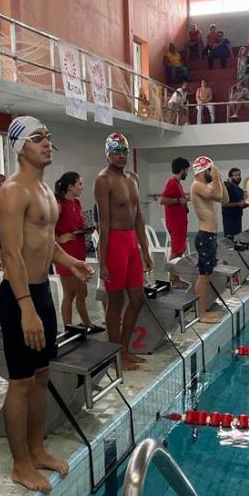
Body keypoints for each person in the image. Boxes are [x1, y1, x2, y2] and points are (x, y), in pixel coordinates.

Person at [0, 117, 94, 493]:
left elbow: (46, 243)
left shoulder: (44, 192)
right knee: (20, 383)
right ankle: (20, 465)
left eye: (48, 138)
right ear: (20, 146)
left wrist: (71, 263)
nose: (47, 143)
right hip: (19, 295)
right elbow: (11, 252)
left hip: (41, 292)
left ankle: (37, 450)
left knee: (41, 378)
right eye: (37, 139)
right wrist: (25, 307)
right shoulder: (13, 190)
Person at [95, 132, 152, 371]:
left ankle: (126, 349)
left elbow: (138, 217)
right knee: (115, 301)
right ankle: (115, 354)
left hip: (131, 242)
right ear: (107, 153)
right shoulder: (103, 179)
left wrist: (145, 250)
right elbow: (103, 223)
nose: (121, 156)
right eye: (116, 152)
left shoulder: (133, 178)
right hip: (114, 242)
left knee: (138, 298)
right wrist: (102, 262)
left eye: (124, 151)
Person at [54, 172, 102, 333]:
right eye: (79, 184)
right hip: (65, 255)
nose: (82, 187)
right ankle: (68, 329)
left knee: (83, 292)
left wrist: (86, 230)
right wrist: (59, 239)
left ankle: (87, 324)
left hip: (79, 252)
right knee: (70, 293)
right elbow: (46, 229)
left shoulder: (77, 203)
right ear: (70, 187)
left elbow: (76, 225)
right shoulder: (58, 204)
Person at [190, 156, 227, 324]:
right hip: (204, 235)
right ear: (203, 171)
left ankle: (200, 309)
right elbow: (216, 194)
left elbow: (224, 199)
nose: (212, 173)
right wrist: (217, 178)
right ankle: (201, 313)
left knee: (207, 276)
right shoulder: (197, 185)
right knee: (203, 276)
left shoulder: (205, 186)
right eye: (210, 170)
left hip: (210, 235)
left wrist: (219, 179)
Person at [160, 157, 190, 286]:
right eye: (187, 170)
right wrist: (178, 201)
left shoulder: (178, 184)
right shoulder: (172, 182)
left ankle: (176, 276)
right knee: (176, 251)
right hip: (175, 223)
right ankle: (173, 279)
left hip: (180, 222)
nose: (187, 173)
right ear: (182, 170)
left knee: (180, 250)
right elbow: (163, 200)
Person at [222, 167, 246, 239]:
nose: (238, 177)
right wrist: (238, 203)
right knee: (230, 241)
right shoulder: (227, 187)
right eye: (235, 175)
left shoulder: (240, 190)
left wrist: (248, 203)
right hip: (229, 220)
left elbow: (241, 204)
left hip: (238, 218)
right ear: (230, 177)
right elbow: (224, 204)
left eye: (239, 175)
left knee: (237, 240)